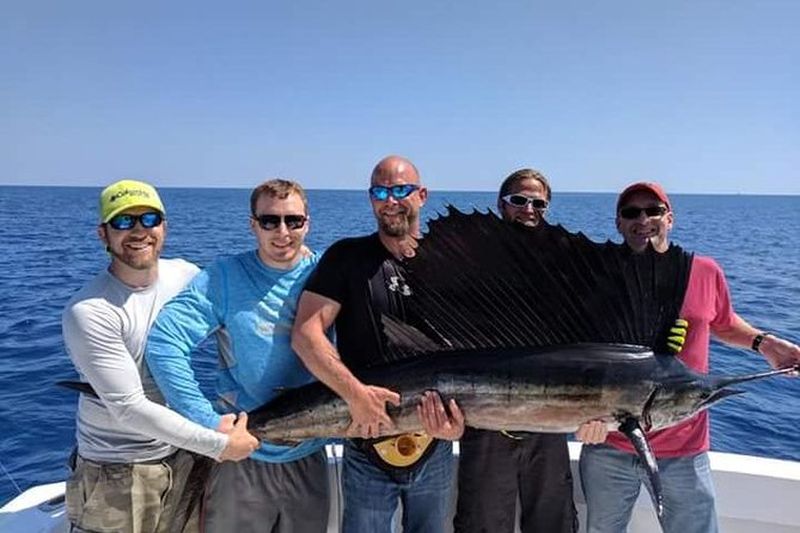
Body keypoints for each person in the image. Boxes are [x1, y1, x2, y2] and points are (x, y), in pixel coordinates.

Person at [579, 181, 800, 533]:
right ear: (618, 223)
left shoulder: (704, 271)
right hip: (608, 444)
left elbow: (723, 322)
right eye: (631, 212)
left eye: (653, 211)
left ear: (670, 218)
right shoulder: (597, 276)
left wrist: (767, 344)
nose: (643, 219)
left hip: (684, 449)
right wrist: (578, 416)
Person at [62, 179, 257, 533]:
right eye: (123, 221)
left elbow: (233, 323)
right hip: (119, 473)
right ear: (103, 234)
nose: (139, 231)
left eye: (149, 219)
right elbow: (128, 408)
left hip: (185, 456)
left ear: (164, 226)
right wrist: (219, 444)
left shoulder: (185, 275)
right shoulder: (90, 310)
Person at [145, 179, 331, 533]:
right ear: (253, 225)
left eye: (293, 221)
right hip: (241, 455)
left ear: (307, 223)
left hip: (310, 452)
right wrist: (209, 422)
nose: (282, 232)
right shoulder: (224, 278)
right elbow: (165, 343)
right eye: (269, 221)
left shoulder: (329, 272)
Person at [292, 155, 465, 533]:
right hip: (365, 443)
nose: (391, 201)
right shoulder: (346, 257)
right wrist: (355, 395)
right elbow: (306, 335)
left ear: (422, 195)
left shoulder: (451, 266)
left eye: (401, 190)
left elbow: (471, 358)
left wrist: (457, 425)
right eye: (381, 192)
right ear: (370, 198)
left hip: (435, 445)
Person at [453, 168, 606, 533]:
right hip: (485, 418)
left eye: (538, 203)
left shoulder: (563, 268)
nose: (528, 209)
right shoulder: (471, 262)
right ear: (501, 204)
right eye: (519, 201)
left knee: (553, 524)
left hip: (547, 419)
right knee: (481, 525)